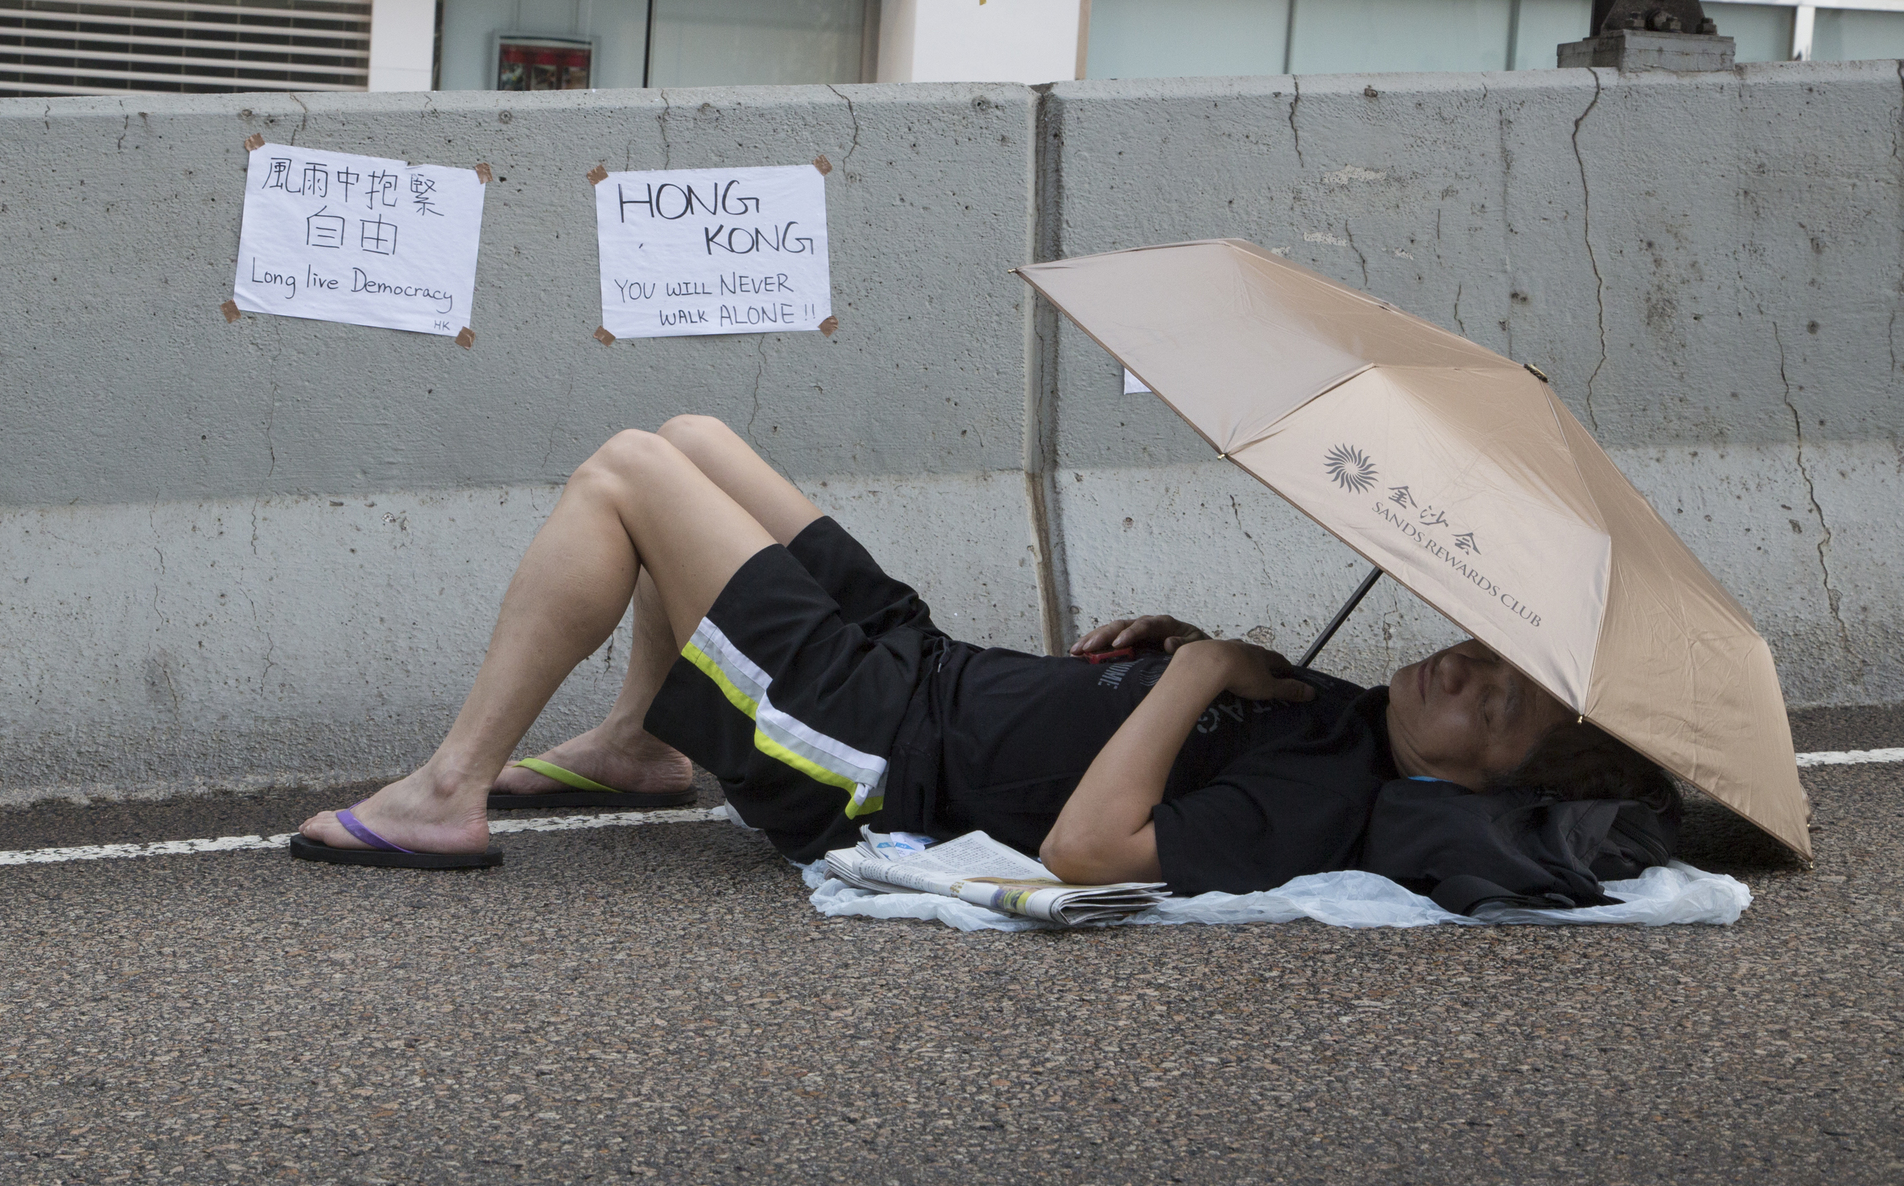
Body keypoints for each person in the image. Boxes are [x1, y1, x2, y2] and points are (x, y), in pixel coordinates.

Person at [293, 416, 1674, 892]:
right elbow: (1192, 728)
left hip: (875, 754)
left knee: (628, 480)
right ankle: (650, 739)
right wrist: (1177, 654)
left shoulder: (1323, 807)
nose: (1462, 672)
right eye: (1482, 650)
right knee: (699, 438)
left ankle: (446, 794)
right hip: (929, 667)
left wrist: (1191, 679)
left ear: (1479, 789)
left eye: (1494, 709)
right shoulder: (1347, 712)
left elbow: (1086, 851)